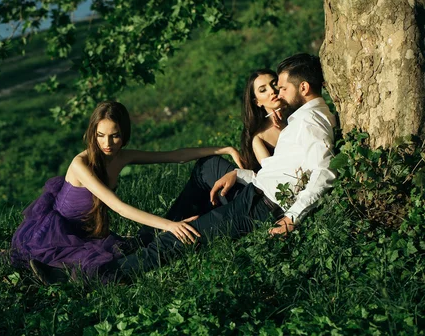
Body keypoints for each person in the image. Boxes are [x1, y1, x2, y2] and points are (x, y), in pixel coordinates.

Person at [104, 53, 337, 279]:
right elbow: (279, 172)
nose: (279, 93)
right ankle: (133, 253)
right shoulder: (303, 120)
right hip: (254, 196)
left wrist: (292, 218)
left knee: (180, 238)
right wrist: (239, 174)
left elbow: (325, 172)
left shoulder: (311, 123)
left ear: (304, 88)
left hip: (261, 208)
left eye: (283, 87)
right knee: (189, 226)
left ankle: (106, 276)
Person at [9, 101, 238, 282]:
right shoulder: (81, 164)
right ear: (93, 133)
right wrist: (169, 225)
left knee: (145, 240)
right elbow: (119, 208)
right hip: (58, 236)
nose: (107, 143)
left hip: (88, 233)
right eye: (100, 135)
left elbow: (174, 156)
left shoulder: (122, 156)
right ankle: (60, 275)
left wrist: (225, 148)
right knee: (106, 264)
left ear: (124, 133)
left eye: (114, 135)